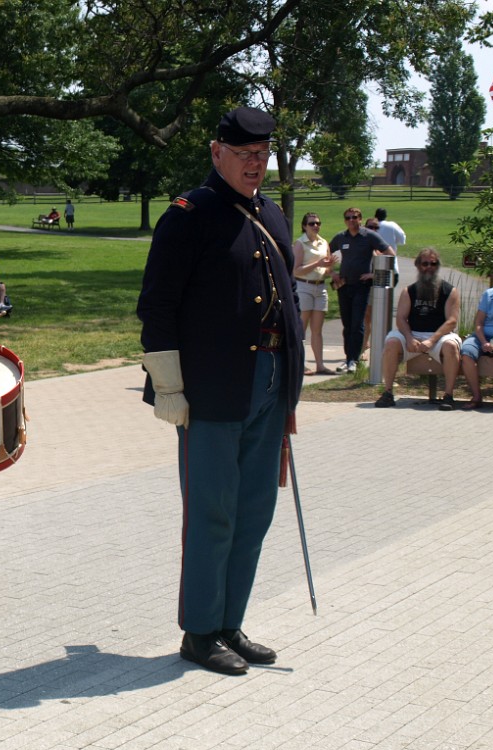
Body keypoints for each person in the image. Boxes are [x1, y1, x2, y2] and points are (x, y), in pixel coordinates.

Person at [137, 107, 303, 675]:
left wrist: (292, 392)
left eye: (262, 156)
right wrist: (169, 387)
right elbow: (157, 306)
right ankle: (200, 632)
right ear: (216, 153)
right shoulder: (189, 215)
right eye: (244, 155)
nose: (255, 165)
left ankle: (231, 621)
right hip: (211, 388)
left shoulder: (272, 215)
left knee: (254, 509)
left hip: (270, 379)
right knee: (212, 511)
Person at [373, 248, 461, 410]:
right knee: (391, 342)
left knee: (451, 346)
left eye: (433, 264)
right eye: (425, 263)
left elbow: (451, 321)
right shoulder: (409, 291)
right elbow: (400, 318)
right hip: (412, 335)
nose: (429, 267)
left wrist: (431, 340)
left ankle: (448, 396)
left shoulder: (449, 291)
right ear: (418, 266)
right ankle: (387, 393)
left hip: (439, 336)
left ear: (438, 266)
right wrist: (408, 337)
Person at [329, 207, 394, 373]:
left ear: (360, 219)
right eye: (348, 217)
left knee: (357, 323)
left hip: (361, 286)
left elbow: (390, 254)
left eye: (355, 217)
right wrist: (332, 272)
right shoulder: (340, 237)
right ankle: (348, 358)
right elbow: (325, 252)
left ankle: (354, 360)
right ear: (345, 220)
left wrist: (374, 274)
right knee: (347, 324)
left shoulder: (368, 236)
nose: (351, 220)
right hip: (344, 285)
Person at [292, 212, 334, 375]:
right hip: (304, 287)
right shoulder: (300, 243)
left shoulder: (323, 242)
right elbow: (296, 270)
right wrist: (318, 263)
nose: (315, 226)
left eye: (317, 223)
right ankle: (299, 364)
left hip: (320, 287)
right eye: (311, 223)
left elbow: (326, 268)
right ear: (304, 226)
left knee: (317, 329)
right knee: (301, 328)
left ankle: (320, 365)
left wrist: (331, 269)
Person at [459, 266, 493, 410]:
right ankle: (476, 396)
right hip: (483, 335)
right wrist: (485, 342)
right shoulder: (489, 295)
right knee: (466, 350)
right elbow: (478, 323)